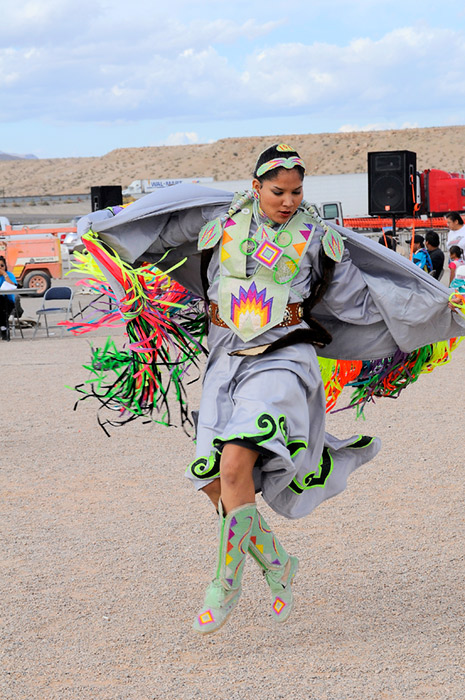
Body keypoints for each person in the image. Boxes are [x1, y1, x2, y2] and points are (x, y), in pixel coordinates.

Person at [75, 144, 465, 636]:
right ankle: (276, 560)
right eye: (278, 191)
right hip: (225, 357)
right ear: (256, 186)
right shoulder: (216, 222)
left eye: (297, 191)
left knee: (236, 461)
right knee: (213, 482)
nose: (287, 200)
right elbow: (154, 232)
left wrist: (432, 309)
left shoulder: (319, 240)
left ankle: (225, 584)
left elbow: (360, 302)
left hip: (285, 355)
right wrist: (106, 226)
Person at [0, 255, 17, 341]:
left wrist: (4, 274)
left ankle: (3, 328)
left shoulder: (9, 275)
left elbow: (12, 286)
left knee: (2, 302)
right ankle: (3, 328)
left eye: (2, 265)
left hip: (8, 302)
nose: (0, 267)